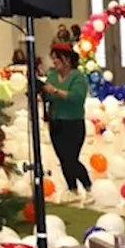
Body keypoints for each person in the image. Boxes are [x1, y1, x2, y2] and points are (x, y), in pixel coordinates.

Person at [42, 44, 93, 204]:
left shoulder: (78, 77)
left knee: (71, 158)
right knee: (62, 158)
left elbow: (76, 97)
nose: (55, 61)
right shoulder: (52, 76)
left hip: (74, 123)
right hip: (56, 122)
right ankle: (72, 189)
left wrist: (55, 92)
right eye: (54, 58)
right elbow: (49, 96)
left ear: (68, 59)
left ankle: (88, 186)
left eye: (58, 57)